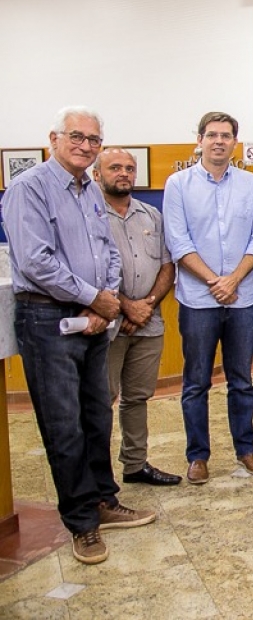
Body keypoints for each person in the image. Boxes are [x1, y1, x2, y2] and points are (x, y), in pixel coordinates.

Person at [3, 106, 155, 565]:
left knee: (96, 417)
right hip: (48, 321)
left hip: (94, 318)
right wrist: (95, 299)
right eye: (77, 137)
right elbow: (34, 261)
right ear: (54, 138)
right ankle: (82, 523)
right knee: (63, 426)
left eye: (94, 138)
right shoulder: (29, 189)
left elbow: (107, 249)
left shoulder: (90, 189)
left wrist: (103, 298)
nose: (86, 145)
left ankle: (104, 500)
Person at [163, 111, 253, 485]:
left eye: (226, 135)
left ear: (235, 142)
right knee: (196, 382)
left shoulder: (252, 186)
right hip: (198, 300)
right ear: (200, 139)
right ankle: (198, 456)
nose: (219, 141)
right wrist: (214, 282)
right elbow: (178, 242)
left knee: (241, 378)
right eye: (212, 135)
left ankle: (246, 449)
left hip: (244, 298)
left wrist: (234, 279)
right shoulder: (178, 184)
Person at [94, 148, 180, 486]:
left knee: (137, 397)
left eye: (129, 168)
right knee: (103, 401)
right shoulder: (90, 215)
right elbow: (89, 271)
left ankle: (135, 464)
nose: (124, 174)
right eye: (115, 167)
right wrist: (126, 305)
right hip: (107, 325)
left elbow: (166, 265)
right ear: (97, 174)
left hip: (148, 323)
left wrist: (146, 305)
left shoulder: (151, 216)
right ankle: (99, 479)